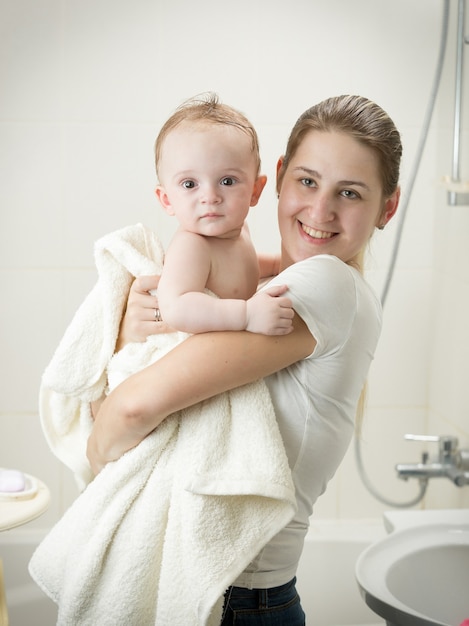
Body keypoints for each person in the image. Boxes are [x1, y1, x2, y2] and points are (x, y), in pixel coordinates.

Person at [87, 94, 402, 625]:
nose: (320, 211)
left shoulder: (323, 283)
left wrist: (99, 465)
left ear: (386, 209)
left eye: (348, 193)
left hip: (237, 600)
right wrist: (143, 318)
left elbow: (133, 410)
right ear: (276, 180)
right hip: (242, 596)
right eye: (307, 181)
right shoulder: (279, 281)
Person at [153, 93, 293, 336]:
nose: (210, 196)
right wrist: (246, 315)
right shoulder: (192, 246)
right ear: (167, 200)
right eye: (189, 184)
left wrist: (277, 265)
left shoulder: (237, 231)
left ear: (255, 190)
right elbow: (176, 307)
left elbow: (230, 264)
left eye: (227, 181)